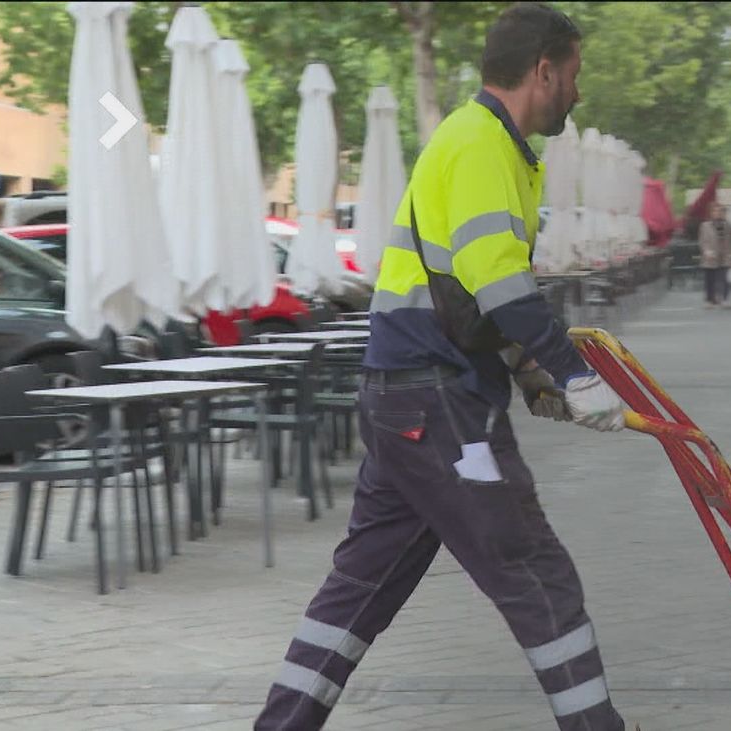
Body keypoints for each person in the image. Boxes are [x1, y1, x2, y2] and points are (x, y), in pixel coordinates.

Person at [254, 5, 631, 731]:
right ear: (543, 70)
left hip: (407, 399)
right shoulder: (481, 144)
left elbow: (475, 293)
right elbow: (500, 282)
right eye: (574, 77)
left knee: (360, 587)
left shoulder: (491, 148)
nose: (578, 95)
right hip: (439, 403)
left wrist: (530, 374)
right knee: (534, 572)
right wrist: (575, 373)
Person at [698, 203, 731, 309]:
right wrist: (706, 251)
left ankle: (725, 299)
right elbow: (702, 241)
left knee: (724, 279)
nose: (717, 213)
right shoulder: (705, 225)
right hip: (710, 257)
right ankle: (710, 300)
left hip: (725, 256)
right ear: (711, 213)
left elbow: (730, 242)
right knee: (709, 280)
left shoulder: (727, 225)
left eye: (719, 211)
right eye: (715, 211)